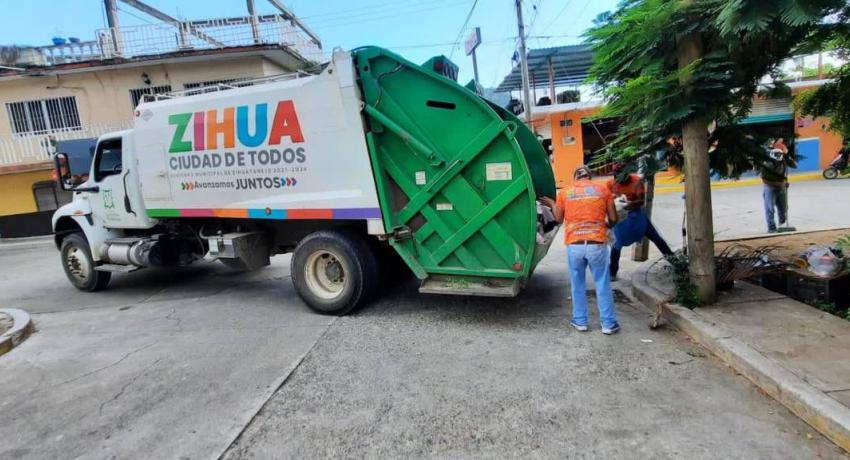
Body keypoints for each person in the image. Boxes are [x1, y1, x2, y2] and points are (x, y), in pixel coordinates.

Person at [542, 165, 620, 334]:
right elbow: (614, 219)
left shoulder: (565, 192)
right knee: (602, 283)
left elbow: (558, 218)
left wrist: (554, 204)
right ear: (589, 177)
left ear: (575, 177)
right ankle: (608, 324)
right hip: (597, 244)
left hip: (575, 245)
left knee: (577, 284)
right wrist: (605, 225)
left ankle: (580, 321)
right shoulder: (602, 190)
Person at [606, 162, 674, 279]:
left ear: (626, 174)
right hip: (621, 218)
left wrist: (628, 204)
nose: (617, 178)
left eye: (619, 175)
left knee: (656, 238)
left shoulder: (636, 182)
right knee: (617, 244)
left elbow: (641, 201)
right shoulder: (610, 184)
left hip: (636, 216)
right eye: (615, 175)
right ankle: (613, 272)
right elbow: (606, 200)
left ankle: (676, 263)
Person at [761, 139, 796, 233]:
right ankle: (771, 228)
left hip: (781, 187)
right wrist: (782, 183)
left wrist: (787, 155)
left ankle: (782, 224)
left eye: (780, 155)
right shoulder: (767, 164)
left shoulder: (783, 160)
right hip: (770, 188)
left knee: (784, 208)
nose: (778, 157)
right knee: (770, 209)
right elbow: (765, 180)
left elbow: (794, 165)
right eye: (776, 156)